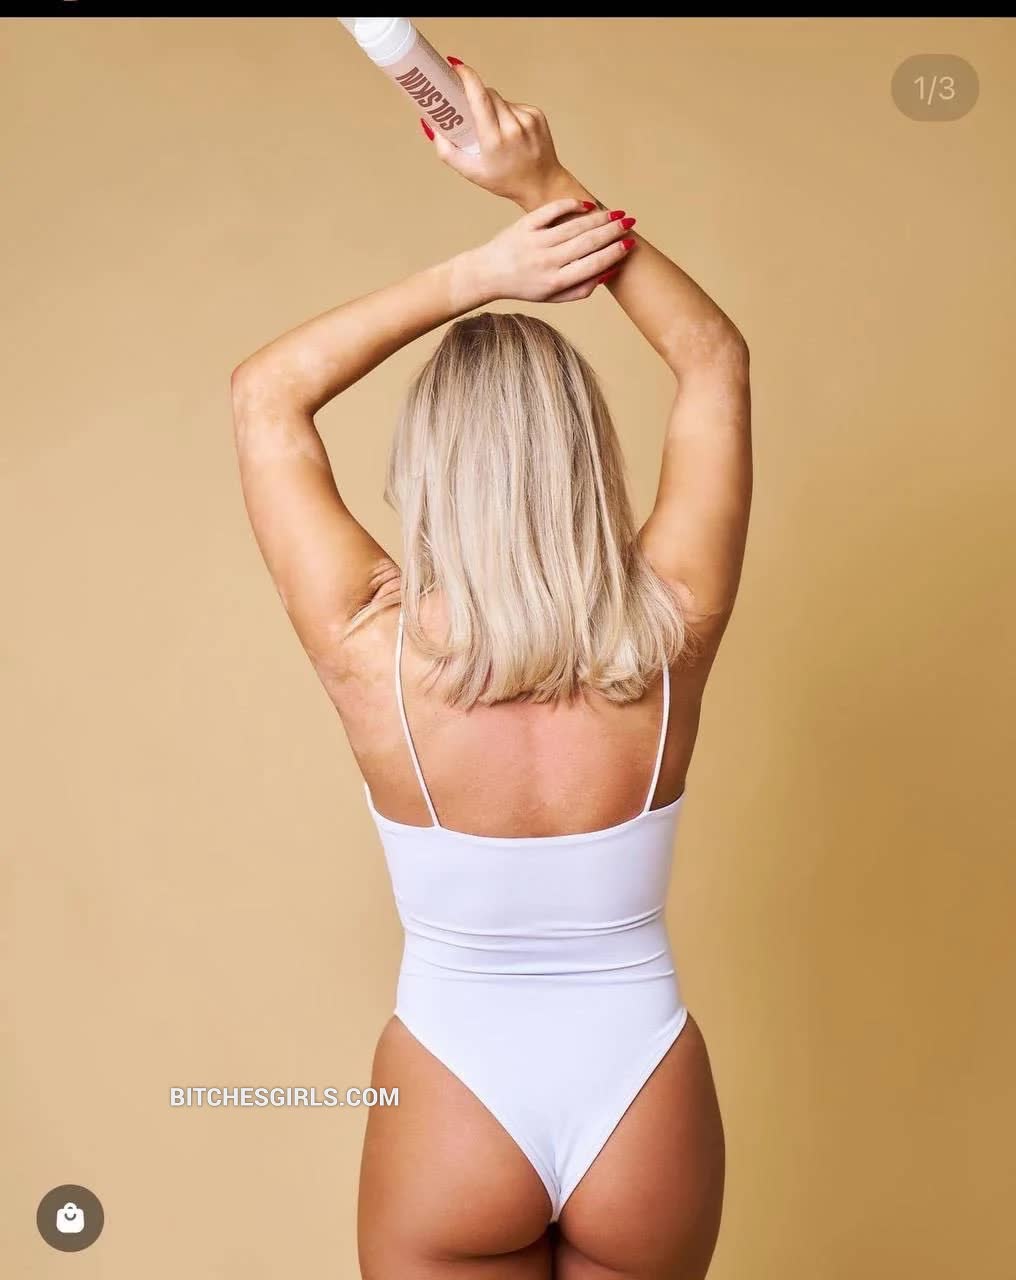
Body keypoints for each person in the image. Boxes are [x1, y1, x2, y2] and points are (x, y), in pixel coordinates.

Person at [231, 59, 751, 1280]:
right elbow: (712, 360)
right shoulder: (668, 626)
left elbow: (266, 396)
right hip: (641, 1080)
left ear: (426, 471)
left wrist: (478, 273)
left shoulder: (370, 644)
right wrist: (542, 187)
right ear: (588, 455)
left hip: (453, 1087)